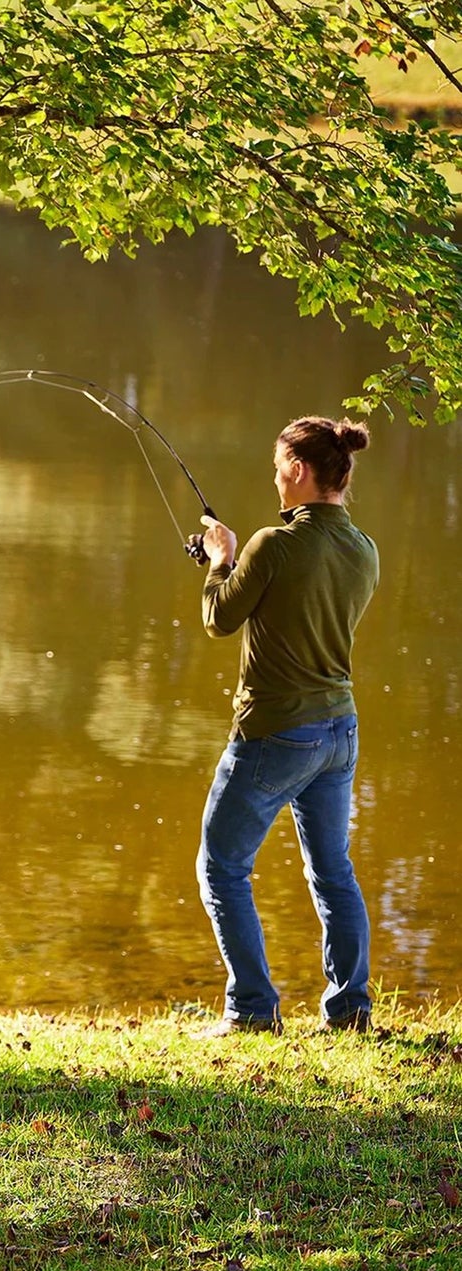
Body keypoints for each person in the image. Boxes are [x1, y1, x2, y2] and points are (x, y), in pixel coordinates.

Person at [192, 416, 380, 1036]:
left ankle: (251, 1010)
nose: (275, 478)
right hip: (339, 732)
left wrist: (220, 558)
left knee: (221, 866)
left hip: (276, 733)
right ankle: (350, 1008)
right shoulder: (363, 550)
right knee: (333, 870)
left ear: (299, 470)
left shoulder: (272, 544)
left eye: (278, 467)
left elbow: (220, 618)